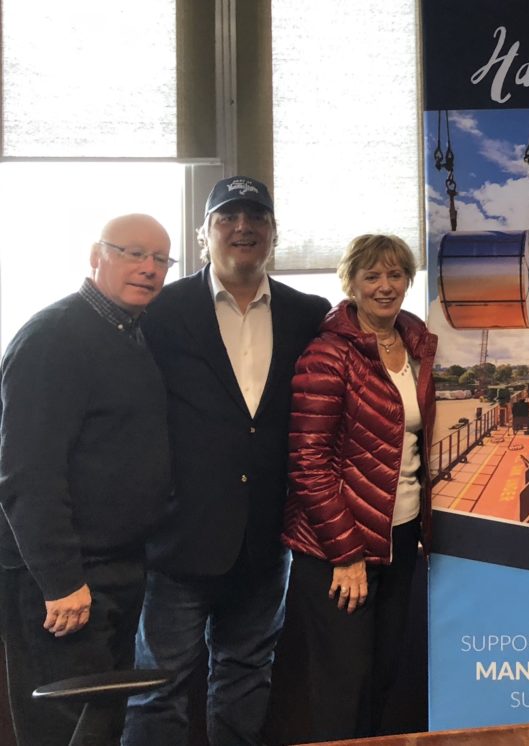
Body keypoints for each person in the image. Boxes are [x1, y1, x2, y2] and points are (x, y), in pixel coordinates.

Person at [122, 177, 330, 745]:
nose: (243, 227)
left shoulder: (308, 314)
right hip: (178, 538)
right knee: (158, 686)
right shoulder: (160, 311)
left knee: (246, 675)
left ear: (274, 233)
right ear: (204, 233)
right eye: (227, 217)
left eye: (256, 217)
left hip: (265, 542)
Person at [0, 215, 173, 746]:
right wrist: (59, 580)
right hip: (64, 580)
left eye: (160, 259)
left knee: (100, 728)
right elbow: (27, 471)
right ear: (96, 256)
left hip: (115, 569)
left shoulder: (130, 332)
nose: (148, 268)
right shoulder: (53, 337)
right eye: (133, 253)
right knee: (66, 731)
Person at [273, 234, 436, 741]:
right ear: (351, 283)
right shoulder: (326, 356)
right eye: (372, 276)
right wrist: (346, 555)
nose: (385, 286)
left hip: (400, 536)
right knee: (345, 686)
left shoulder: (417, 344)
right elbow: (308, 464)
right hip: (337, 548)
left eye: (396, 275)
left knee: (383, 677)